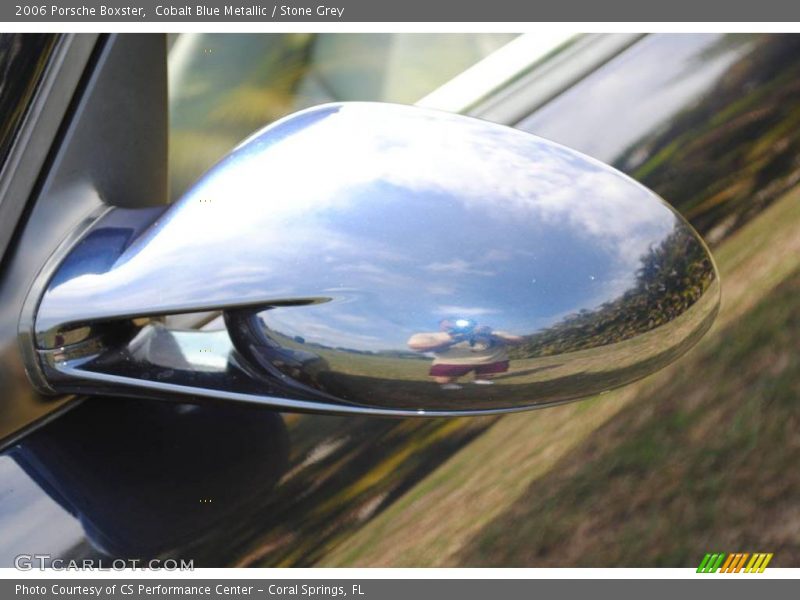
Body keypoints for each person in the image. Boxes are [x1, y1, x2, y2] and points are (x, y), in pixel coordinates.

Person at [407, 319, 523, 389]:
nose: (454, 324)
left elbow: (518, 341)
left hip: (487, 362)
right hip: (450, 364)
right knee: (444, 383)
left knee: (484, 379)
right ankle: (448, 384)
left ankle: (482, 379)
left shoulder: (490, 333)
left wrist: (490, 335)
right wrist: (454, 339)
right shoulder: (434, 335)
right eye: (449, 321)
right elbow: (415, 345)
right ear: (440, 325)